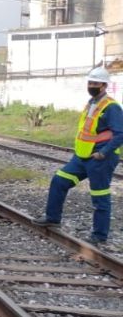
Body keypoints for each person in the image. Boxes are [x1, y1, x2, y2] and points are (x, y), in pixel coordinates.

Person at [34, 67, 123, 244]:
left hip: (100, 159)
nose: (91, 86)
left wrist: (103, 153)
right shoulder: (91, 103)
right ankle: (52, 218)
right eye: (90, 82)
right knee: (59, 180)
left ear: (104, 86)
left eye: (95, 83)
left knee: (99, 196)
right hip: (82, 157)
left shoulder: (111, 107)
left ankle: (99, 236)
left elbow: (120, 133)